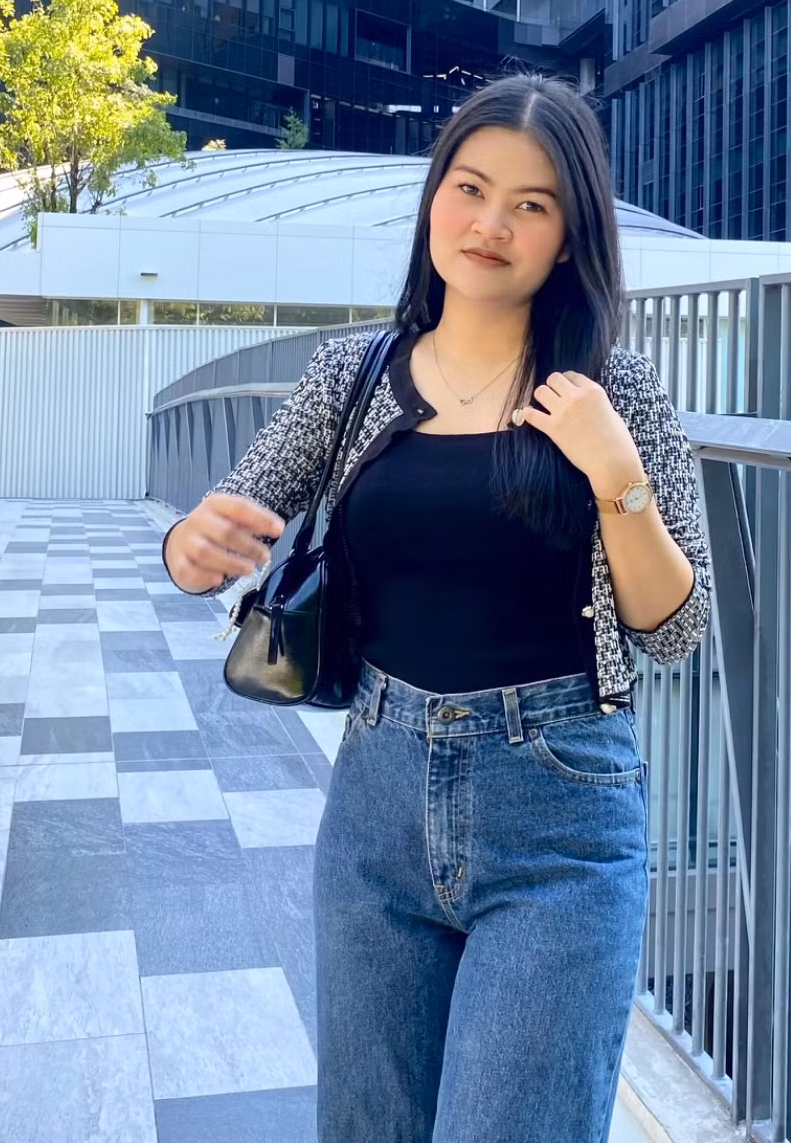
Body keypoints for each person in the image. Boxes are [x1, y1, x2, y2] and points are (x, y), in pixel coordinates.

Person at [162, 72, 711, 1143]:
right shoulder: (353, 374)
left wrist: (616, 475)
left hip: (559, 810)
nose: (491, 224)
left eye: (531, 204)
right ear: (434, 200)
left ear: (569, 238)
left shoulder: (613, 389)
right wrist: (190, 549)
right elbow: (229, 522)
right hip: (376, 795)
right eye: (471, 188)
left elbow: (673, 629)